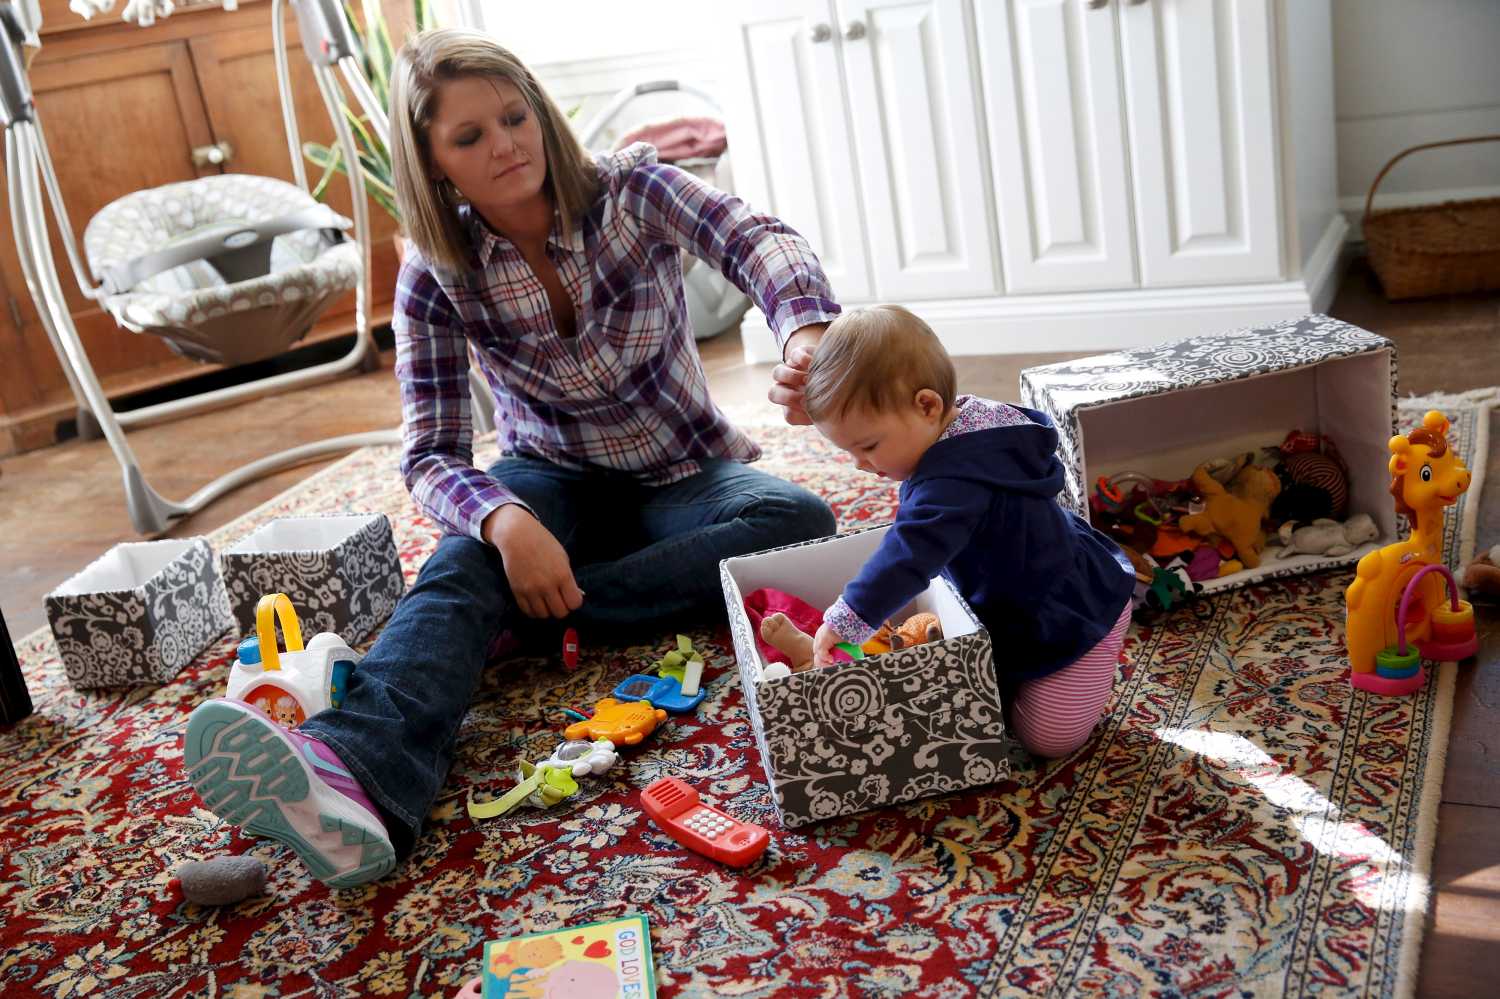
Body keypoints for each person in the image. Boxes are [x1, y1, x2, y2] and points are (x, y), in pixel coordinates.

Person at [182, 27, 838, 887]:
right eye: (469, 137)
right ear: (434, 165)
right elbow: (430, 453)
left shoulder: (632, 189)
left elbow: (759, 239)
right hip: (547, 478)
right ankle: (358, 774)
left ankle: (539, 611)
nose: (505, 145)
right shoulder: (433, 271)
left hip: (681, 469)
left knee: (801, 521)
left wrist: (805, 330)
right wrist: (504, 518)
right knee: (464, 559)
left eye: (514, 117)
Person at [798, 305, 1134, 758]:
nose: (862, 465)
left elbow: (910, 551)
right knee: (976, 696)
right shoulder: (960, 423)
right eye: (850, 452)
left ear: (927, 405)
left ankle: (1099, 654)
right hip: (1017, 591)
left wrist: (850, 614)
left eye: (869, 446)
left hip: (1069, 613)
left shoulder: (952, 483)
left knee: (1045, 740)